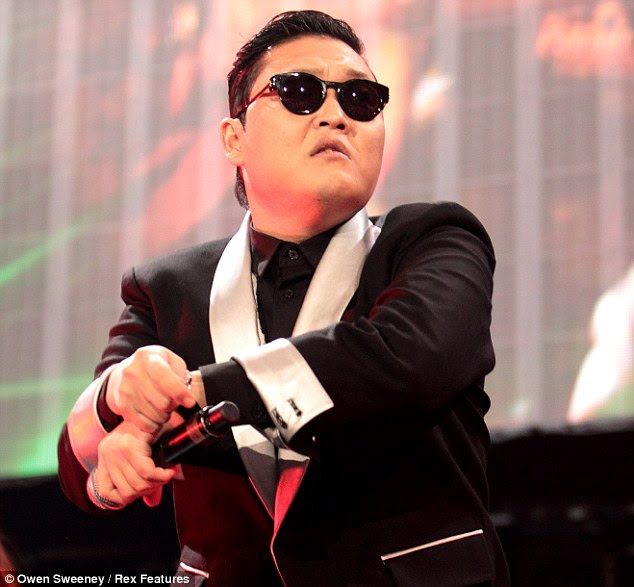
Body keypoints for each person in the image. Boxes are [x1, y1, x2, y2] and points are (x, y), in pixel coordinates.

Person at [58, 10, 509, 586]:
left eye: (361, 99)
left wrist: (198, 391)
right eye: (299, 91)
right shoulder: (165, 288)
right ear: (234, 138)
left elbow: (411, 359)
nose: (335, 114)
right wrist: (117, 401)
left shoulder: (432, 239)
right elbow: (79, 471)